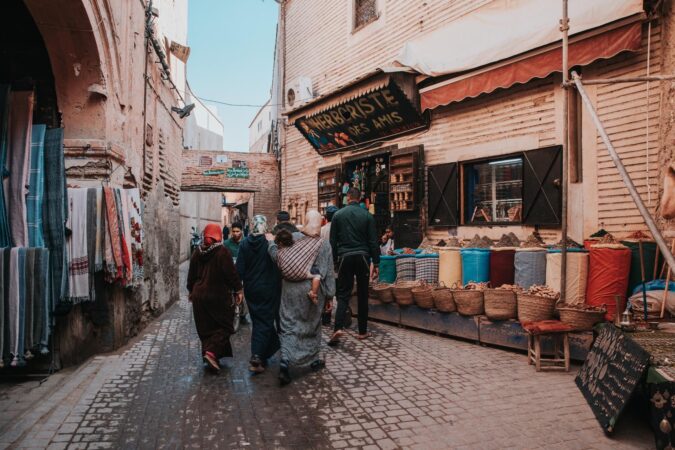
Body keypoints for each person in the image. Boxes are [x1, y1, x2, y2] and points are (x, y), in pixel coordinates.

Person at [269, 210, 335, 386]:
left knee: (288, 324)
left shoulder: (294, 237)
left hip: (289, 289)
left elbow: (277, 254)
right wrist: (329, 296)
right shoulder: (323, 244)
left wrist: (271, 246)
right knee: (311, 325)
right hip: (312, 290)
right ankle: (312, 360)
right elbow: (326, 272)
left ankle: (285, 360)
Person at [187, 224, 243, 373]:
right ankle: (211, 353)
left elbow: (191, 275)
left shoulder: (197, 252)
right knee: (226, 326)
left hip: (199, 296)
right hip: (218, 296)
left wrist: (190, 291)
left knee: (206, 328)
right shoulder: (222, 251)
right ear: (218, 235)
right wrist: (238, 290)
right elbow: (231, 273)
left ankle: (211, 356)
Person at [329, 188, 379, 344]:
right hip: (363, 257)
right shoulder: (367, 216)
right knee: (363, 294)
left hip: (345, 257)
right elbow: (373, 242)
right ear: (360, 199)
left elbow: (333, 242)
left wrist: (335, 261)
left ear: (348, 197)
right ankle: (362, 331)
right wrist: (376, 262)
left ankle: (338, 328)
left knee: (343, 294)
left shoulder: (338, 215)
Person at [236, 215, 281, 374]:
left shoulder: (244, 244)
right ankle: (256, 356)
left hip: (252, 289)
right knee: (265, 321)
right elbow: (279, 262)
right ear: (264, 227)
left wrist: (238, 290)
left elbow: (239, 270)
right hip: (269, 288)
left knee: (259, 321)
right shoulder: (269, 243)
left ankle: (266, 352)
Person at [274, 229, 321, 304]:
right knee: (317, 275)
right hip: (303, 274)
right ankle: (313, 293)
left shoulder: (279, 253)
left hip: (288, 276)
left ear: (280, 243)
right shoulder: (297, 247)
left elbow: (280, 267)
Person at [320, 205, 338, 325]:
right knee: (333, 287)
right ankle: (331, 313)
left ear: (326, 218)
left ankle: (325, 316)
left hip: (323, 261)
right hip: (336, 261)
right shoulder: (339, 228)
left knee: (324, 287)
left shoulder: (322, 230)